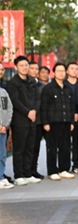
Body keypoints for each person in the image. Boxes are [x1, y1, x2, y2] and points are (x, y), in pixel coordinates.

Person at [7, 56, 42, 186]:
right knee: (19, 149)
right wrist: (27, 112)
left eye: (26, 65)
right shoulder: (13, 83)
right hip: (20, 120)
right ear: (16, 67)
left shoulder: (32, 82)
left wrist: (34, 111)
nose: (24, 68)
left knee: (30, 148)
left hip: (32, 119)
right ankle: (18, 175)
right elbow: (15, 101)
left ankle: (28, 173)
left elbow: (37, 99)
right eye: (21, 65)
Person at [41, 63, 75, 181]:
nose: (61, 73)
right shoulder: (48, 88)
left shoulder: (68, 89)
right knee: (52, 148)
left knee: (65, 147)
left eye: (63, 71)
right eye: (58, 71)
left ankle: (63, 169)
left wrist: (72, 122)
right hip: (52, 123)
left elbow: (71, 107)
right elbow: (44, 107)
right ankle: (52, 170)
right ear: (54, 73)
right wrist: (45, 122)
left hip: (66, 122)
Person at [28, 62, 45, 180]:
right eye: (32, 68)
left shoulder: (41, 85)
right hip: (26, 119)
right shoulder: (25, 83)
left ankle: (33, 169)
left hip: (39, 120)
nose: (34, 71)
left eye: (36, 69)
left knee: (36, 147)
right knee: (27, 147)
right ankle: (26, 170)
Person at [66, 62, 78, 174]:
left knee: (77, 143)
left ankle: (76, 164)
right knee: (66, 143)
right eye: (71, 68)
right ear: (67, 71)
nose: (74, 71)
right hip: (66, 117)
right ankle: (65, 165)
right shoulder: (64, 84)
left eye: (76, 69)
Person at [0, 84, 13, 188]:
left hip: (3, 129)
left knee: (2, 155)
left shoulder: (3, 92)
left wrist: (5, 125)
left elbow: (9, 108)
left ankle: (1, 177)